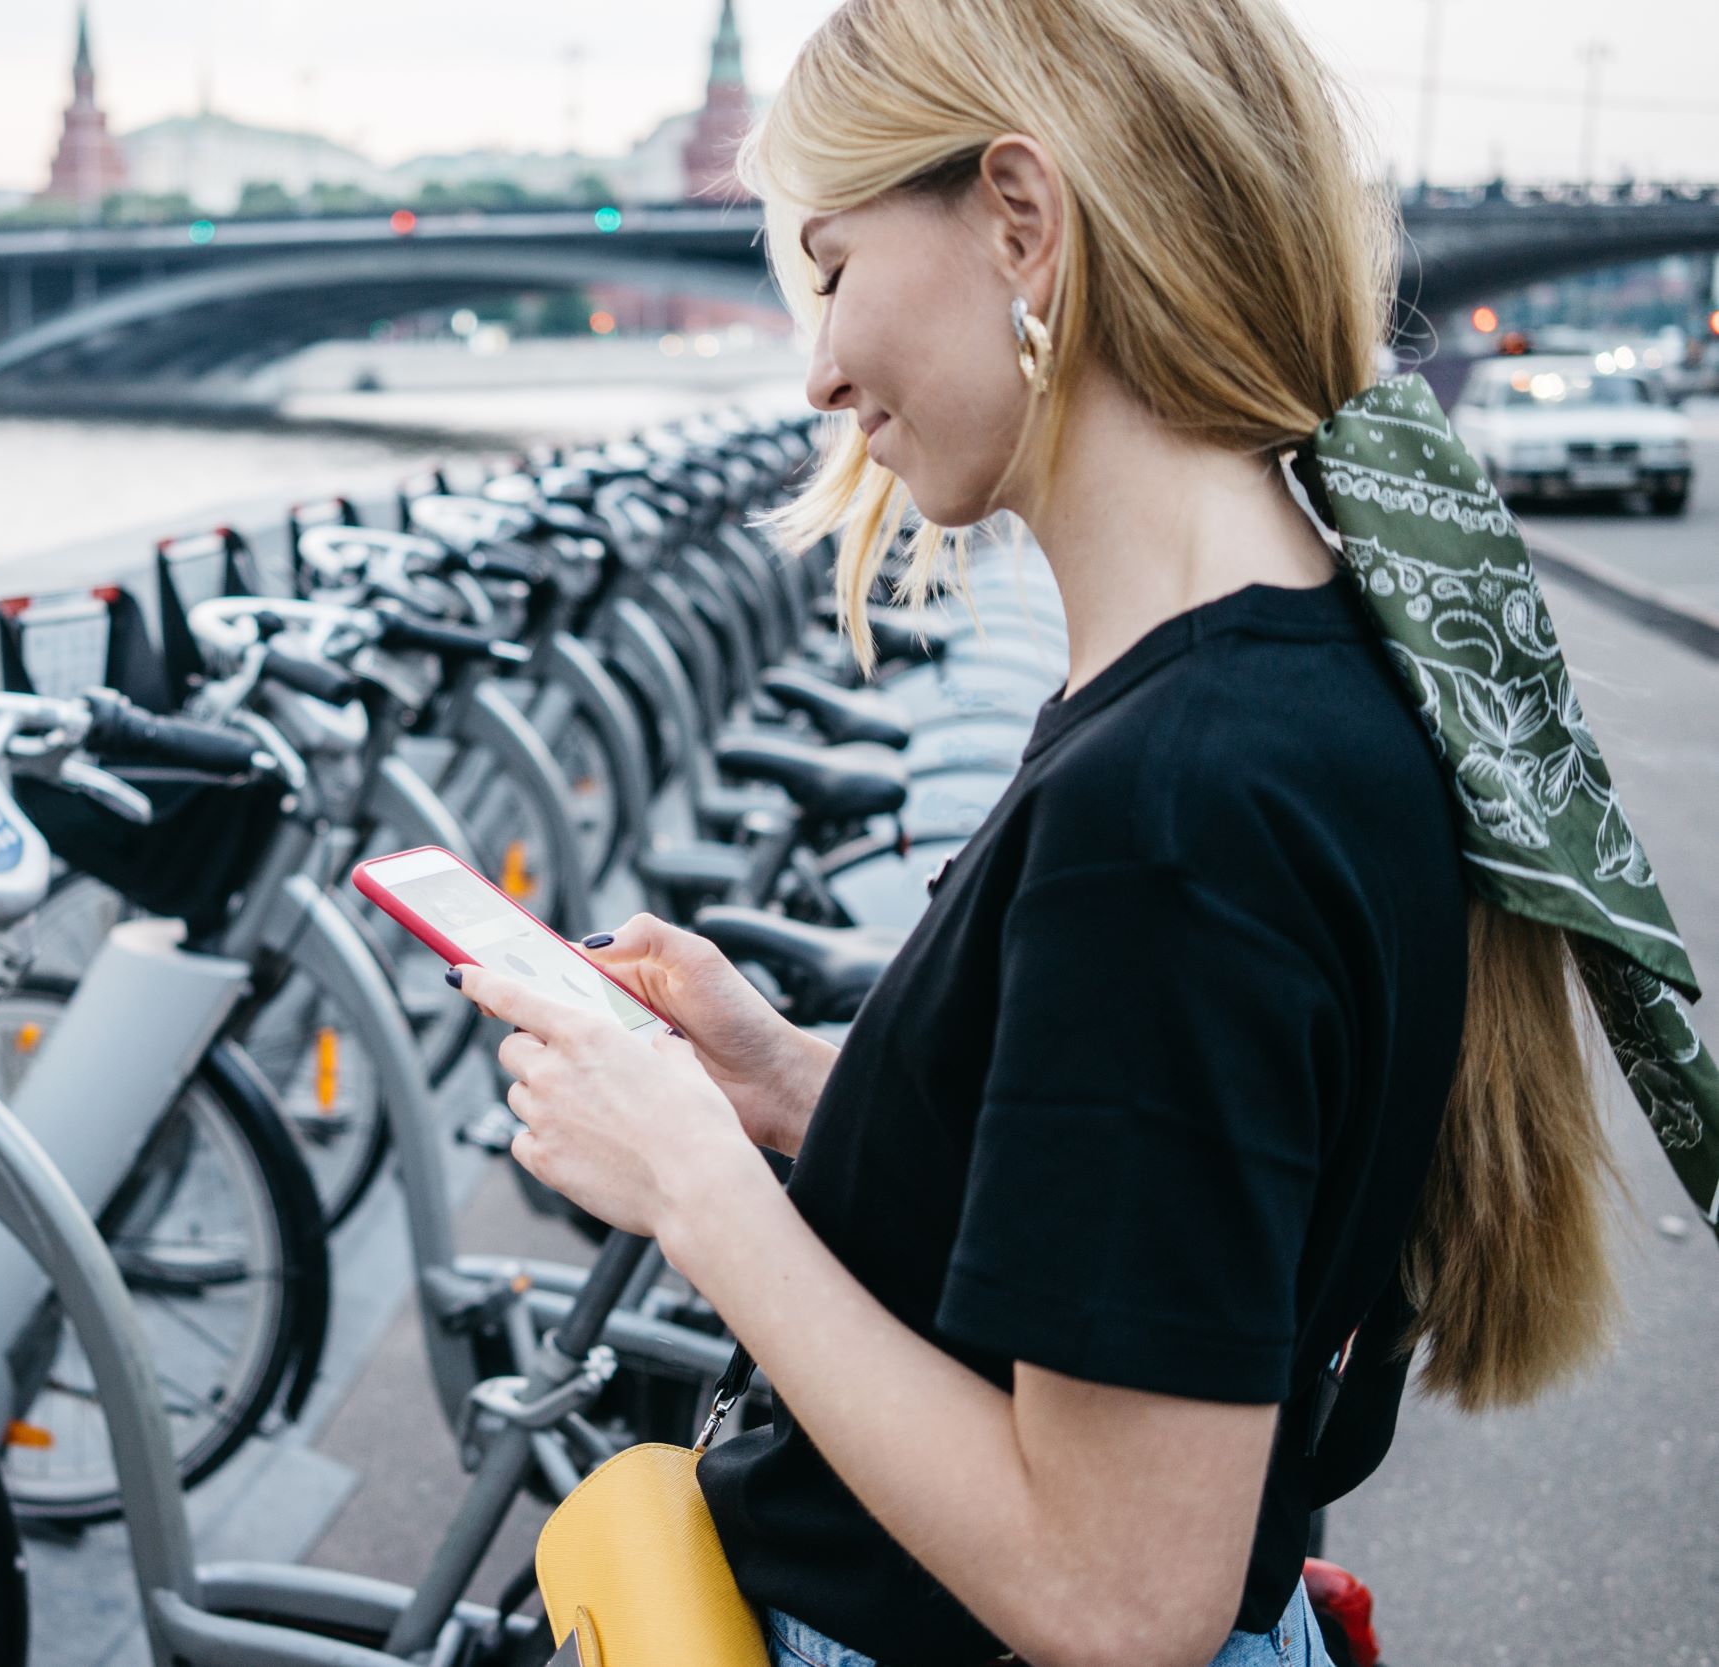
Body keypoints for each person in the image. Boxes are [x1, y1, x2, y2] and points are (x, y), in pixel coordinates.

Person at [451, 3, 1650, 1664]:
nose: (817, 367)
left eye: (834, 264)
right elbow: (1162, 1205)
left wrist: (694, 1187)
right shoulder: (1285, 681)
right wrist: (805, 1086)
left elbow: (1117, 1595)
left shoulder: (1172, 808)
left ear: (1022, 222)